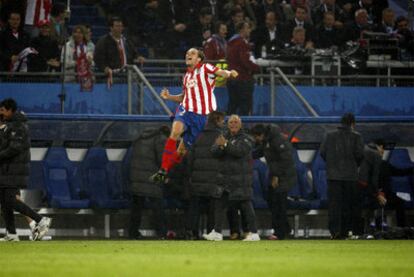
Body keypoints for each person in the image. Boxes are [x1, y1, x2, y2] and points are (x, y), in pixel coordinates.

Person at [149, 47, 238, 184]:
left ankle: (165, 171)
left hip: (201, 116)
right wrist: (169, 97)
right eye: (187, 53)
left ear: (199, 59)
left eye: (192, 53)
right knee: (175, 131)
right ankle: (162, 170)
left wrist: (230, 73)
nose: (188, 54)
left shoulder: (205, 68)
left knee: (181, 151)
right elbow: (184, 96)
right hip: (185, 110)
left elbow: (221, 72)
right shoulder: (186, 76)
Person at [0, 98, 52, 242]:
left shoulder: (18, 126)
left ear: (10, 110)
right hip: (7, 168)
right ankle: (11, 234)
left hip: (14, 169)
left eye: (3, 110)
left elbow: (14, 148)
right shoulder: (10, 125)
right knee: (4, 201)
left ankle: (40, 220)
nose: (1, 113)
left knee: (11, 200)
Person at [203, 115, 260, 241]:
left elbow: (239, 151)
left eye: (235, 122)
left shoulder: (247, 138)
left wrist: (225, 145)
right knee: (219, 204)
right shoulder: (223, 136)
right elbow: (213, 152)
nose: (233, 124)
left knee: (246, 205)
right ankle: (217, 232)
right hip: (225, 179)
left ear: (240, 124)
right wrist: (220, 147)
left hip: (241, 179)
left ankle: (254, 233)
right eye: (231, 122)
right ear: (227, 124)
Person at [319, 112, 364, 239]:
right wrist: (354, 166)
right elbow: (360, 155)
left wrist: (331, 164)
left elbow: (322, 153)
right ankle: (345, 231)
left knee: (334, 205)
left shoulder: (329, 136)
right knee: (347, 205)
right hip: (350, 176)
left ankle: (335, 231)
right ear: (353, 124)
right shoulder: (357, 137)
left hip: (333, 176)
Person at [251, 124, 297, 240]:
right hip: (275, 174)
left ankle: (280, 233)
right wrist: (245, 155)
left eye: (256, 137)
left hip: (284, 176)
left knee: (279, 203)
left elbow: (286, 160)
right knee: (272, 201)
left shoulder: (277, 140)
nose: (255, 140)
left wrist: (277, 175)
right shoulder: (267, 141)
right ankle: (285, 228)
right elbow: (259, 152)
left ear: (261, 135)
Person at [186, 111, 225, 239]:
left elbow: (190, 158)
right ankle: (210, 233)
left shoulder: (198, 136)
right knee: (213, 209)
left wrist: (191, 175)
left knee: (195, 208)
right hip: (214, 179)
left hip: (197, 178)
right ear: (217, 120)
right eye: (222, 120)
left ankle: (192, 233)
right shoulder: (221, 136)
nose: (223, 122)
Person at [128, 126, 170, 239]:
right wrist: (166, 177)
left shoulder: (140, 138)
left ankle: (133, 233)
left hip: (136, 177)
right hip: (151, 178)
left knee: (136, 207)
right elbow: (163, 160)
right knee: (158, 206)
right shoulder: (161, 139)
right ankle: (162, 233)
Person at [94, 17, 143, 87]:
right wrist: (104, 68)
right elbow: (97, 57)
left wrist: (138, 57)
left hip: (127, 74)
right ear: (111, 28)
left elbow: (134, 52)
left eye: (121, 26)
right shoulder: (103, 41)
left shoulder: (126, 40)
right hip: (113, 75)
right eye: (117, 26)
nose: (120, 28)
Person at [226, 21, 260, 116]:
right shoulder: (241, 43)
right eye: (248, 28)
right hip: (243, 79)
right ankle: (243, 128)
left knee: (232, 105)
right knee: (244, 107)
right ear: (242, 29)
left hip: (231, 78)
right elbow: (245, 61)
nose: (249, 30)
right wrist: (257, 68)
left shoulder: (230, 42)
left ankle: (227, 128)